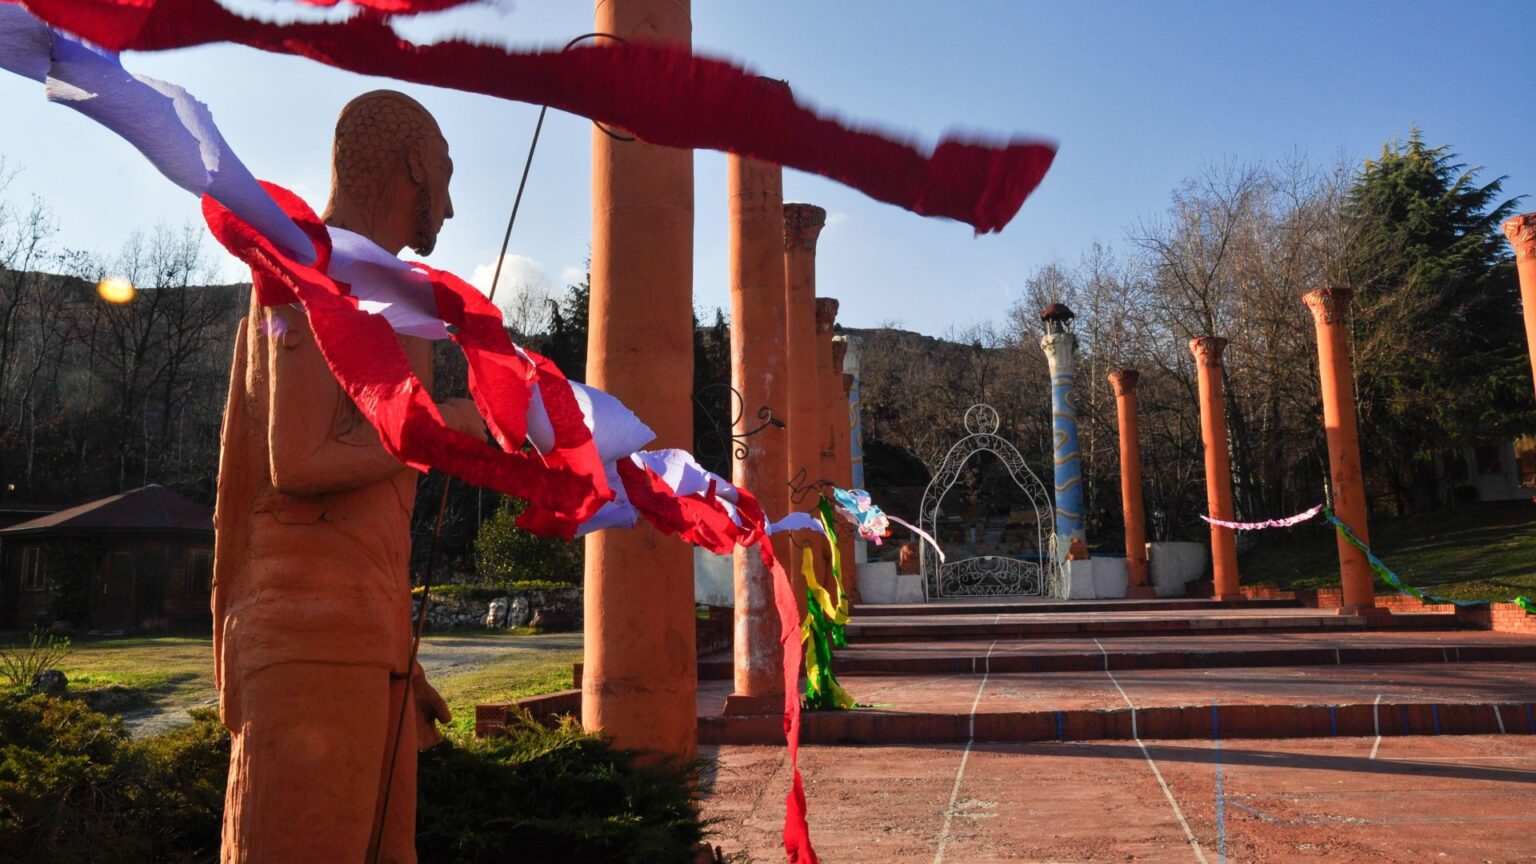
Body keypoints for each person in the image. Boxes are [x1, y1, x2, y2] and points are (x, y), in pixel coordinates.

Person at [211, 90, 484, 863]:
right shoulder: (309, 271)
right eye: (446, 175)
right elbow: (295, 462)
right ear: (413, 165)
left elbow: (371, 513)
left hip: (365, 647)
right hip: (310, 644)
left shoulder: (391, 299)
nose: (451, 207)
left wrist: (399, 655)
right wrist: (442, 430)